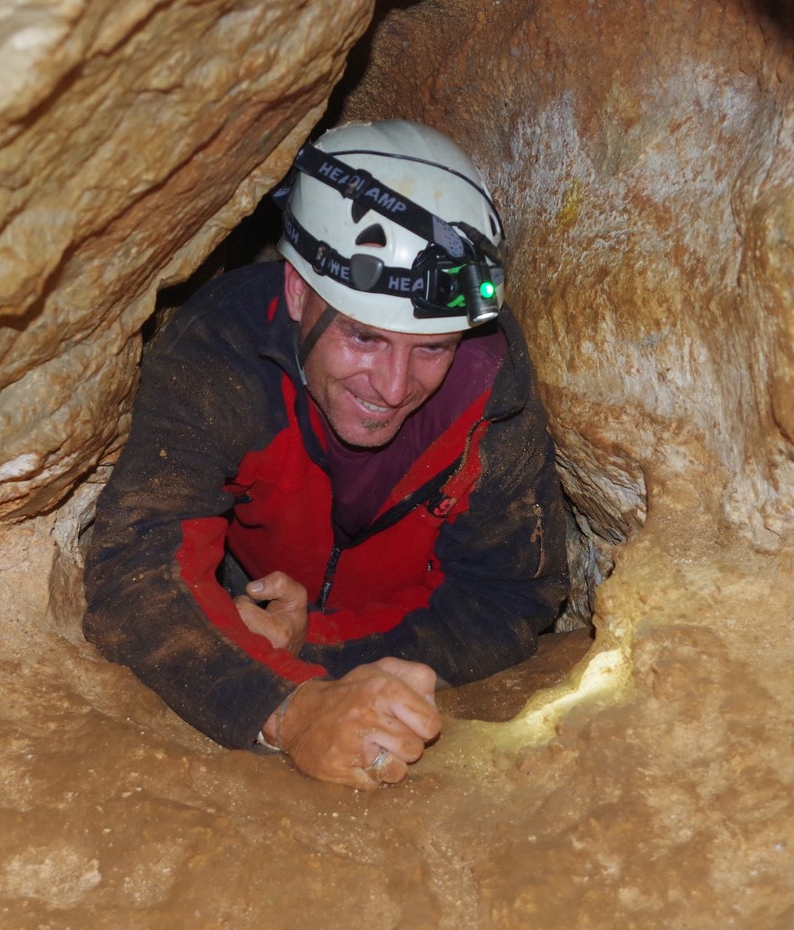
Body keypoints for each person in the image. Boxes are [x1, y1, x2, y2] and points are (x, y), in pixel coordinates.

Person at [83, 120, 569, 790]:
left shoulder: (486, 386)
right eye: (364, 337)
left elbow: (509, 595)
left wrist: (313, 642)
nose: (394, 387)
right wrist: (289, 707)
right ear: (297, 293)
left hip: (353, 622)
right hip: (251, 598)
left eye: (430, 346)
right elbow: (136, 564)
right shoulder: (227, 356)